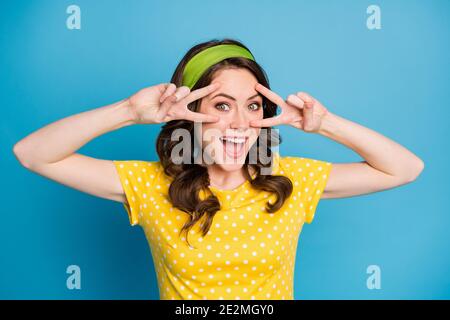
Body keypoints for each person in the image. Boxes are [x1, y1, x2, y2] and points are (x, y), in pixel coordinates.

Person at [12, 38, 424, 300]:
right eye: (221, 105)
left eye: (253, 106)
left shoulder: (291, 181)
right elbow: (33, 154)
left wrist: (323, 124)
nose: (241, 123)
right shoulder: (149, 184)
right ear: (190, 113)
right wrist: (127, 113)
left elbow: (404, 168)